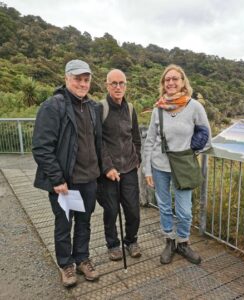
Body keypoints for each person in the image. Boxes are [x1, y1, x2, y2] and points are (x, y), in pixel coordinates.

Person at [32, 59, 102, 287]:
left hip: (89, 179)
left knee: (84, 223)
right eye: (77, 79)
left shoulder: (92, 107)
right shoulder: (54, 106)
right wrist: (57, 179)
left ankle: (82, 258)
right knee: (64, 225)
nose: (82, 83)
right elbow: (42, 147)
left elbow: (96, 143)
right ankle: (66, 264)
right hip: (66, 183)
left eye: (86, 79)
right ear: (66, 79)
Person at [144, 64, 211, 265]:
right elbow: (150, 140)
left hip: (182, 166)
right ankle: (170, 241)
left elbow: (206, 136)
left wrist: (190, 152)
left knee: (184, 210)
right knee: (164, 206)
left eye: (175, 79)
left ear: (183, 82)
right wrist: (147, 169)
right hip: (159, 165)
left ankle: (183, 242)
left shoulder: (194, 107)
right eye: (167, 80)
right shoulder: (158, 109)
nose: (171, 82)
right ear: (163, 84)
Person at [97, 69, 142, 261]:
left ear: (126, 85)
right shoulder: (100, 108)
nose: (118, 87)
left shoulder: (130, 109)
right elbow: (97, 141)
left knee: (133, 210)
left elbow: (136, 137)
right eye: (113, 83)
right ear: (107, 85)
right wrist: (107, 167)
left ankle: (131, 240)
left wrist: (137, 158)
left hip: (129, 169)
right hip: (109, 171)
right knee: (111, 210)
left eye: (121, 83)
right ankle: (113, 244)